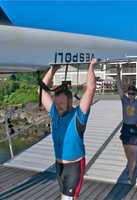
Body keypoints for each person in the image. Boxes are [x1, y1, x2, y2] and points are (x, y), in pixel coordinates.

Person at [40, 59, 96, 200]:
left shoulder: (78, 115)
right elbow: (41, 91)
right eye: (56, 103)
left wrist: (91, 66)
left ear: (70, 102)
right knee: (64, 197)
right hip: (59, 166)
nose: (58, 107)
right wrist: (53, 70)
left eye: (62, 104)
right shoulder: (54, 114)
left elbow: (90, 89)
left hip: (74, 166)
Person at [116, 63, 137, 184]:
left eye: (132, 93)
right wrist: (118, 73)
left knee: (133, 154)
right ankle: (130, 166)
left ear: (135, 94)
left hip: (134, 129)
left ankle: (130, 175)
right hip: (125, 128)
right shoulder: (124, 100)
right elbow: (119, 86)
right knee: (127, 154)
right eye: (129, 93)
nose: (130, 95)